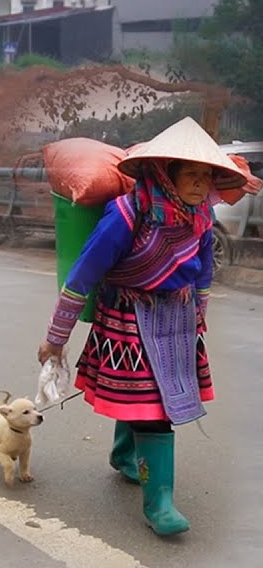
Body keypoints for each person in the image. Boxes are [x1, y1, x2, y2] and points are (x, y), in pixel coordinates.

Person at [37, 117, 251, 536]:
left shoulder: (199, 216)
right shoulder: (125, 214)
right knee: (157, 410)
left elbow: (203, 271)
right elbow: (83, 274)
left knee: (148, 399)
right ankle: (160, 505)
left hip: (178, 320)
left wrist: (199, 318)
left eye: (206, 175)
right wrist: (55, 339)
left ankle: (124, 456)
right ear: (166, 173)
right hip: (129, 319)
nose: (200, 183)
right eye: (191, 173)